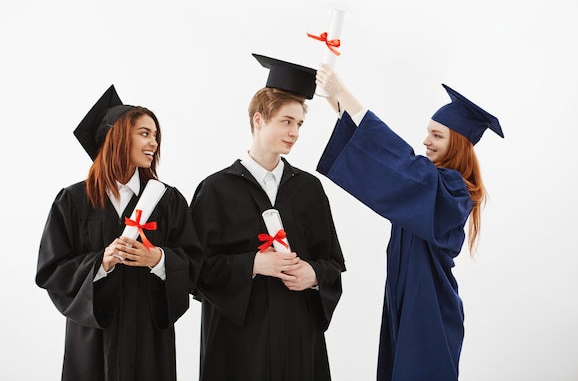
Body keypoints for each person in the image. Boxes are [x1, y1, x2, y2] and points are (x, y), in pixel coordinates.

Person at [315, 65, 504, 381]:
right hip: (405, 300)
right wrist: (336, 100)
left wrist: (346, 95)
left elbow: (401, 164)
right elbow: (393, 169)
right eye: (428, 132)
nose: (426, 141)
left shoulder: (455, 189)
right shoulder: (432, 181)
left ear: (457, 143)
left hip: (429, 308)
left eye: (437, 135)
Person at [189, 54, 346, 381]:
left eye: (299, 124)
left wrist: (312, 275)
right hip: (239, 340)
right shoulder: (216, 189)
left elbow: (331, 263)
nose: (295, 132)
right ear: (259, 120)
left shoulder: (308, 189)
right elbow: (194, 269)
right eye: (286, 121)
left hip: (297, 333)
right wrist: (253, 264)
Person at [35, 85, 203, 381]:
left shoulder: (167, 201)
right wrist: (101, 262)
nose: (154, 142)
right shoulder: (73, 201)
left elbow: (194, 263)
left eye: (155, 135)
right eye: (144, 133)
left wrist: (159, 259)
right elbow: (51, 270)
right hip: (94, 340)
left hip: (149, 341)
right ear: (118, 138)